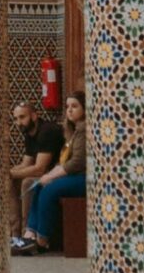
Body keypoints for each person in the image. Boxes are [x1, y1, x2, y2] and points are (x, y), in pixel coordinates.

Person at [15, 91, 87, 256]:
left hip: (83, 178)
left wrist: (51, 176)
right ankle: (30, 234)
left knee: (50, 190)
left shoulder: (83, 131)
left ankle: (42, 240)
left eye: (75, 106)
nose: (70, 110)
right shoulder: (72, 131)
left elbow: (77, 163)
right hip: (72, 175)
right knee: (40, 185)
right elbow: (62, 162)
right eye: (68, 106)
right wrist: (46, 177)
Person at [9, 98, 66, 236]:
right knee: (9, 181)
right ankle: (14, 233)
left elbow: (39, 168)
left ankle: (27, 234)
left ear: (34, 115)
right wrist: (8, 173)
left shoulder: (47, 131)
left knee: (28, 182)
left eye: (22, 117)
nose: (19, 123)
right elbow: (26, 164)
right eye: (16, 119)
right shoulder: (28, 133)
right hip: (47, 172)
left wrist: (10, 174)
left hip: (60, 173)